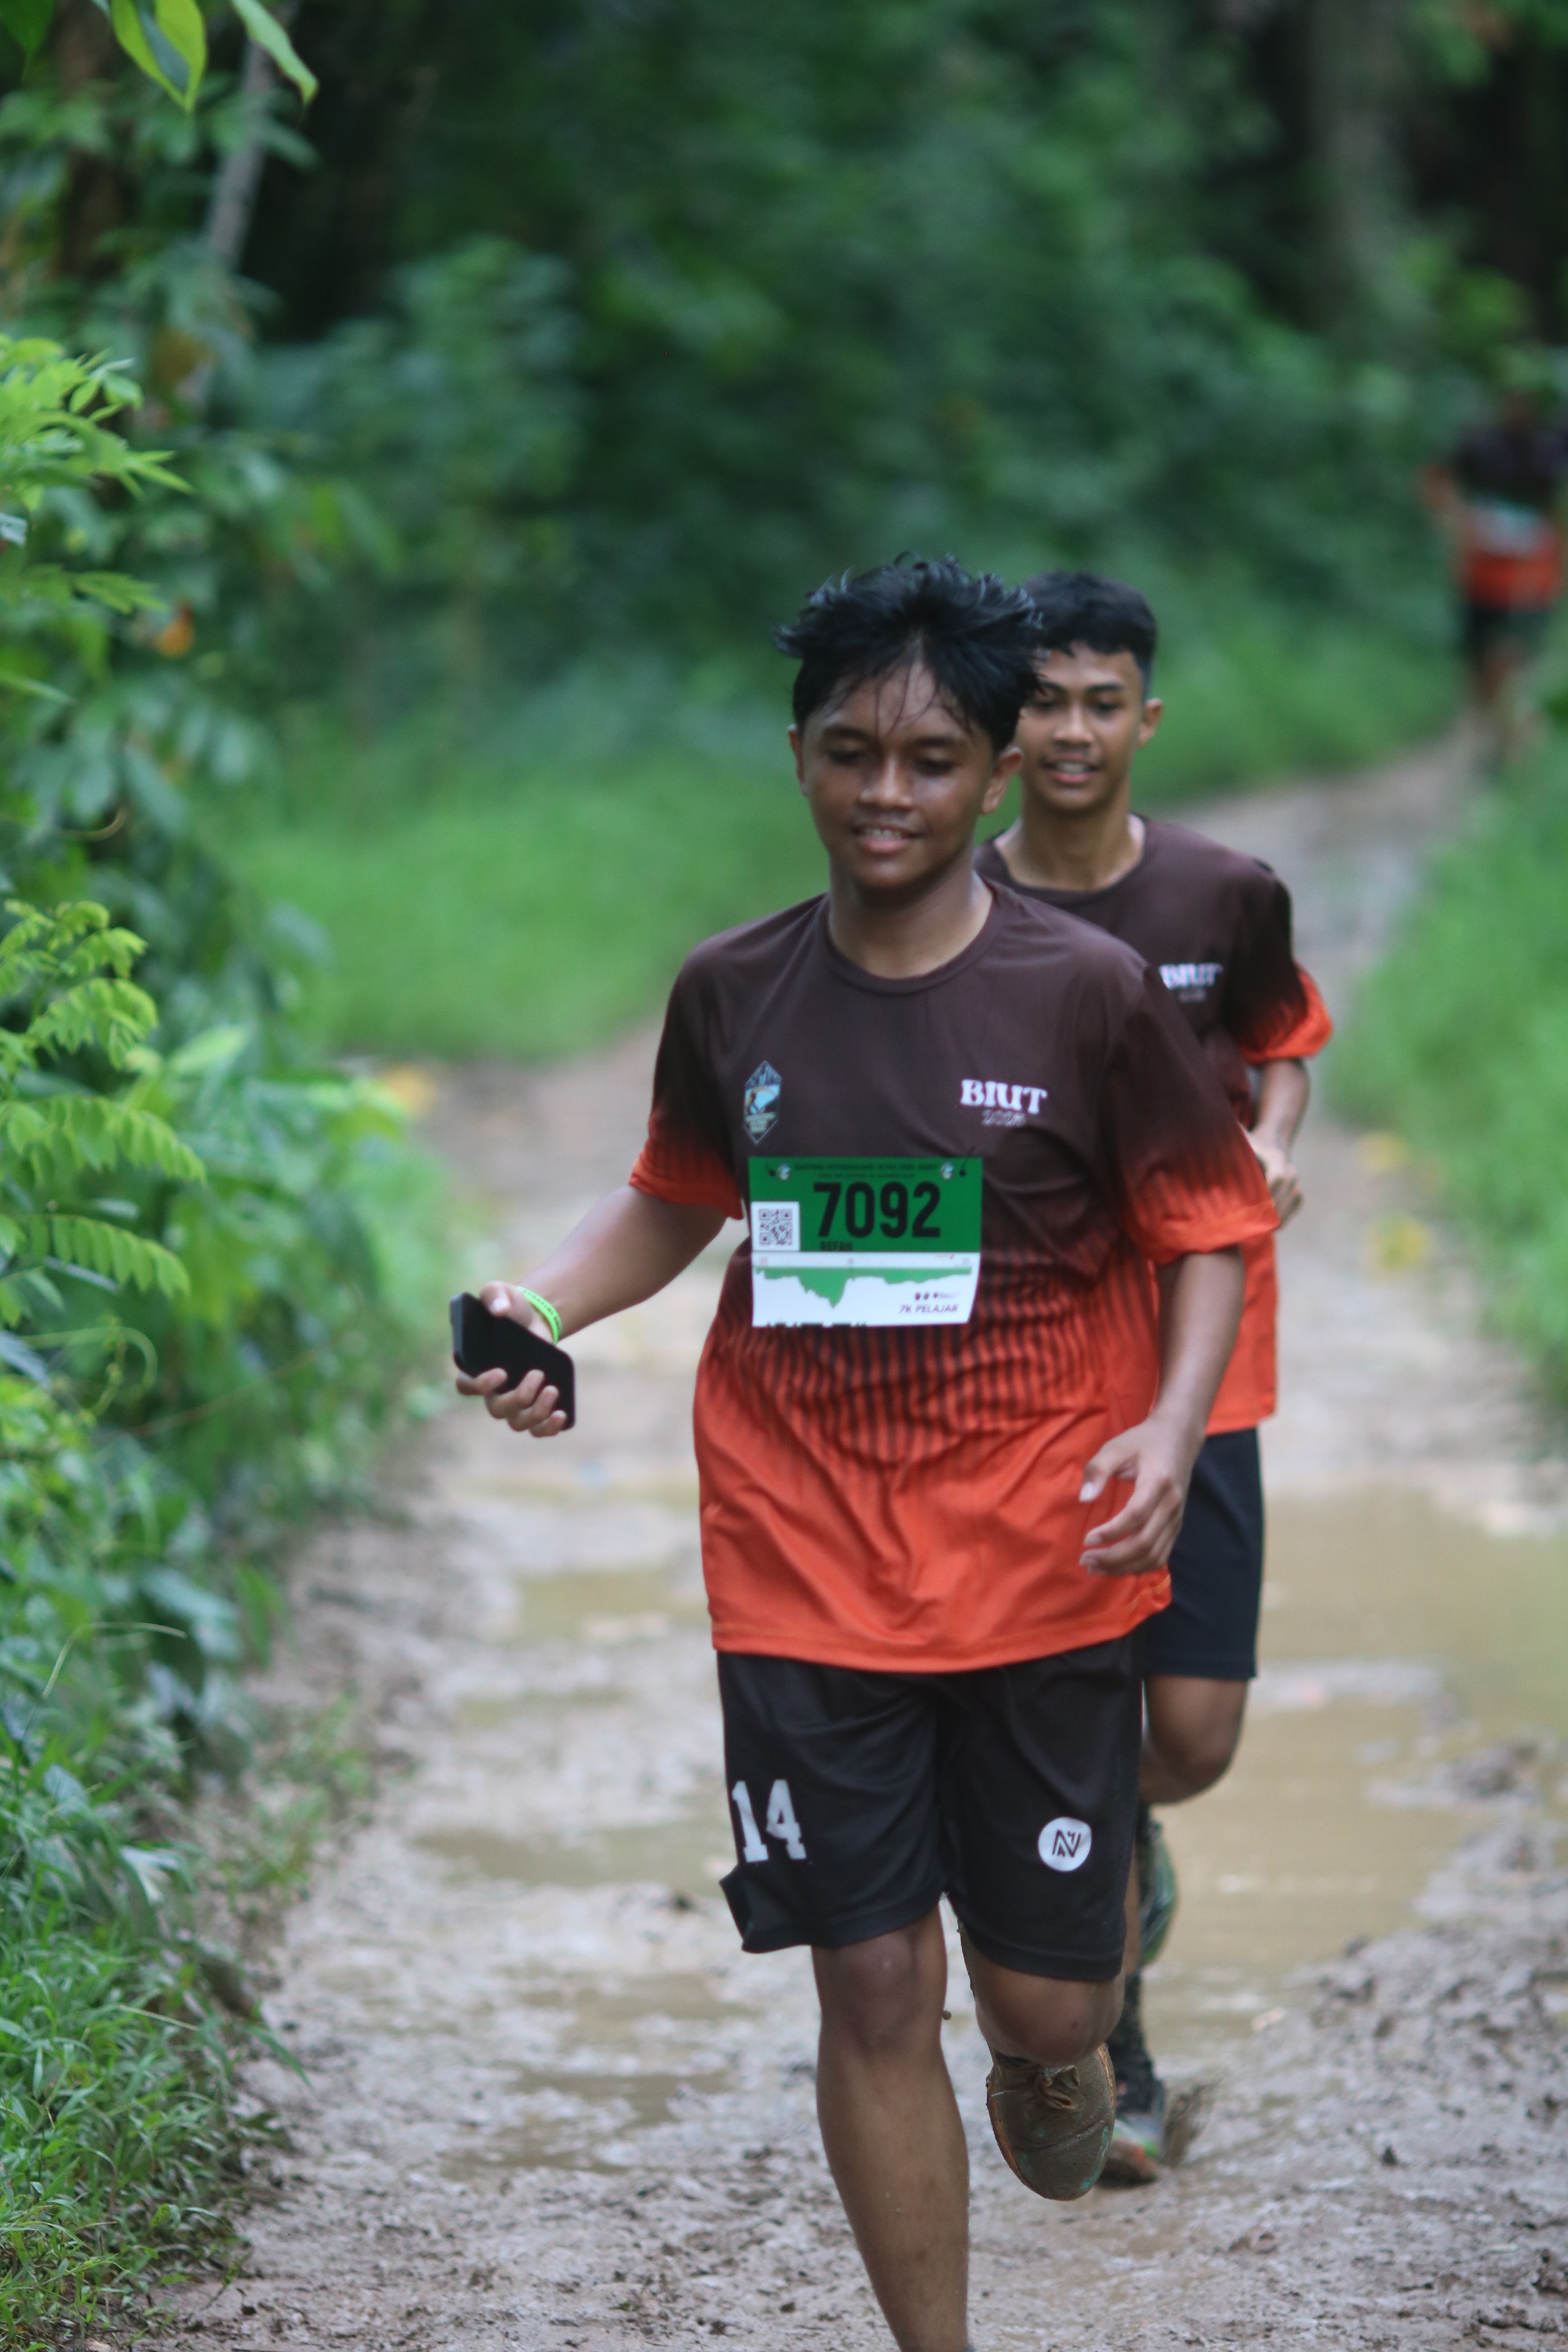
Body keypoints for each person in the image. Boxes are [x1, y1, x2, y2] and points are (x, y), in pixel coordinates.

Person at [457, 558, 1277, 2352]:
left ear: (993, 773)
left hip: (1040, 1557)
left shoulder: (1088, 997)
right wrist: (537, 1303)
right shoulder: (731, 991)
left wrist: (1166, 1425)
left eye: (928, 760)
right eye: (848, 752)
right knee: (871, 1978)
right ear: (799, 758)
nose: (883, 793)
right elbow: (675, 1197)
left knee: (1046, 2013)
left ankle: (1067, 2038)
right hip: (801, 1555)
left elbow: (1209, 1224)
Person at [977, 569, 1331, 2183]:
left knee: (1186, 1732)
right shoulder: (955, 901)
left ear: (1145, 717)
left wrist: (1268, 1145)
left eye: (1098, 701)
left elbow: (1280, 1042)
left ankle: (1109, 1833)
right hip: (1035, 1375)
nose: (1070, 730)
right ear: (1006, 724)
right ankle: (1110, 2047)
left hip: (1210, 1367)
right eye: (1042, 701)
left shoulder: (1221, 896)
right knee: (1072, 1710)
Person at [1422, 359, 1568, 764]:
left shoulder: (1554, 446)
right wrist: (1457, 523)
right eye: (1513, 397)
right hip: (1481, 577)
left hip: (1532, 579)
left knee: (1512, 662)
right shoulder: (1481, 443)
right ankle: (1487, 743)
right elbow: (1437, 479)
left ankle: (1514, 750)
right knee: (1478, 668)